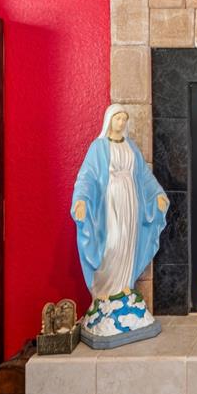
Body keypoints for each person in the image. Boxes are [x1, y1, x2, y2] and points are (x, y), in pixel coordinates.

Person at [71, 105, 169, 343]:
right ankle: (105, 293)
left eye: (124, 118)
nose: (122, 122)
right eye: (118, 117)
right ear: (109, 120)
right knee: (112, 244)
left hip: (131, 205)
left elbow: (144, 176)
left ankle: (124, 286)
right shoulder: (99, 148)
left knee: (127, 243)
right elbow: (87, 177)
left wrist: (157, 193)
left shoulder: (131, 147)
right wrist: (82, 201)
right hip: (110, 204)